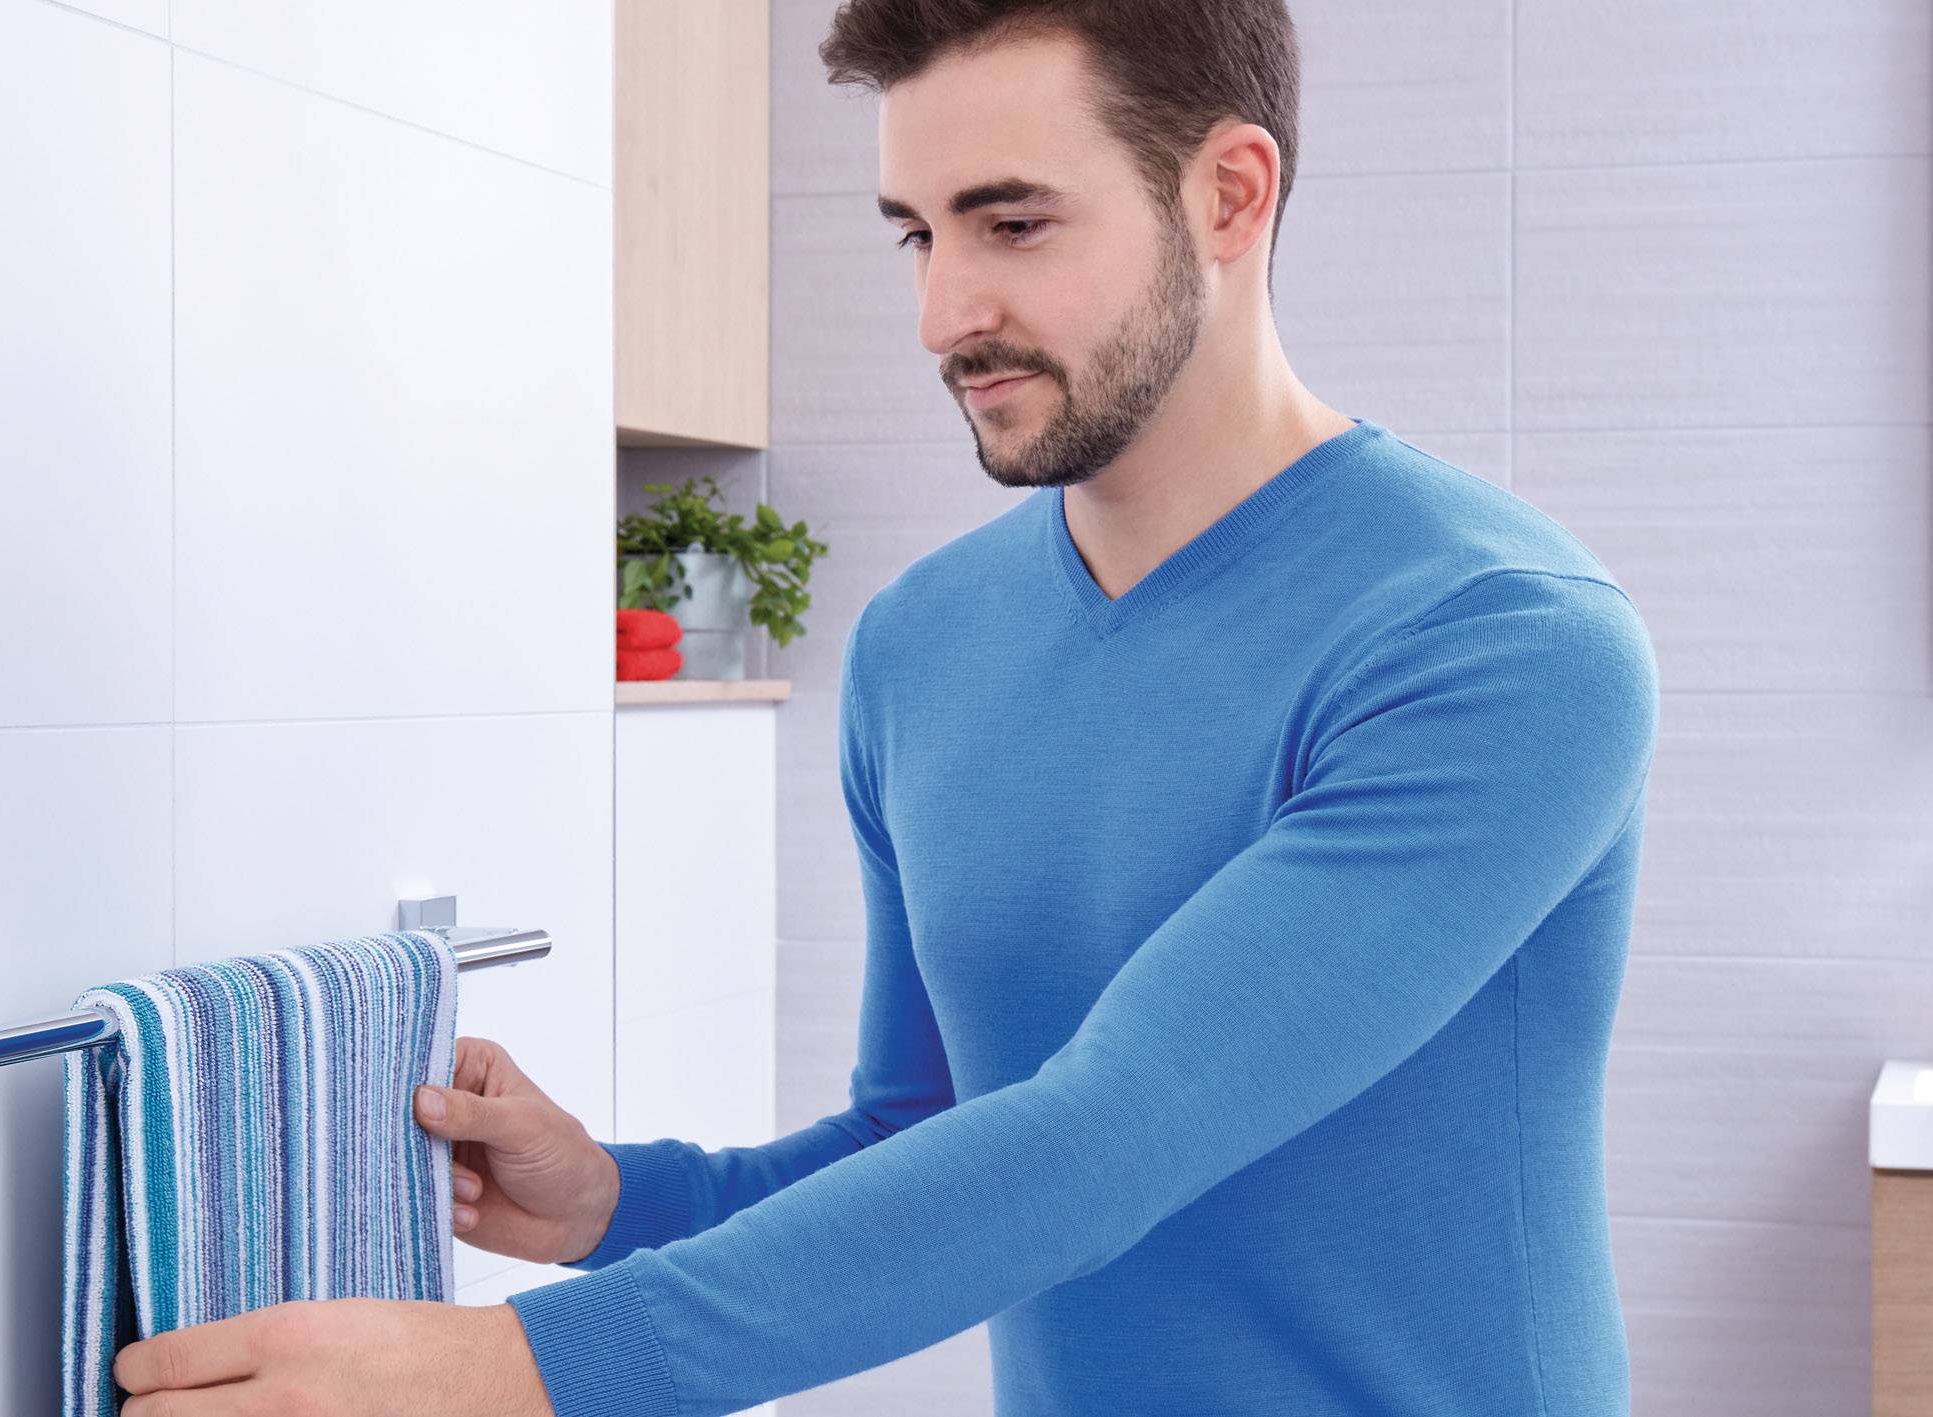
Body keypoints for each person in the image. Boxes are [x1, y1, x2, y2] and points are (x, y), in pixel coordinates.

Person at [112, 2, 1657, 1412]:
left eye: (1012, 222)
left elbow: (1114, 1133)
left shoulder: (1500, 645)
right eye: (916, 233)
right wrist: (614, 1201)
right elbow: (929, 1129)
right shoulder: (925, 644)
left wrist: (528, 1374)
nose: (943, 313)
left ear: (1230, 195)